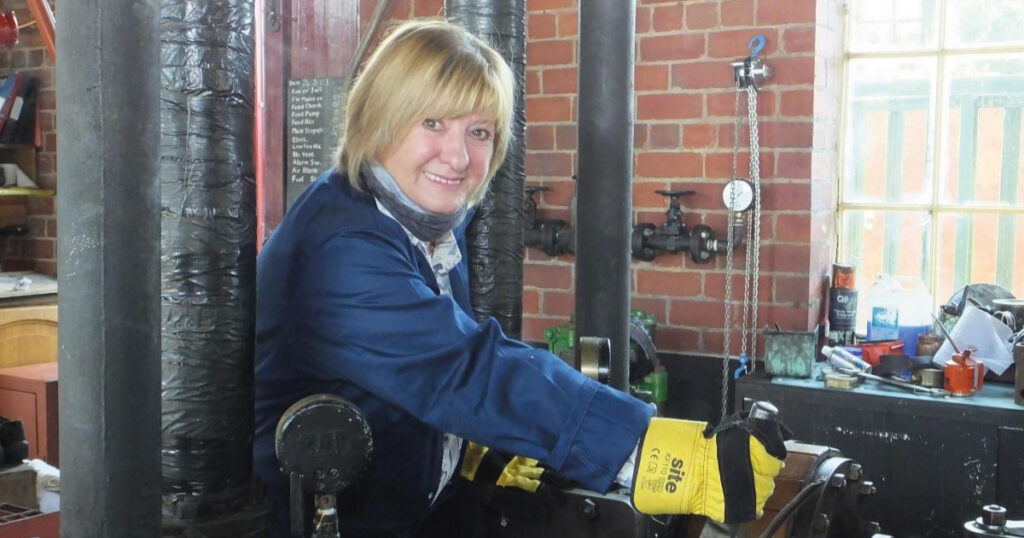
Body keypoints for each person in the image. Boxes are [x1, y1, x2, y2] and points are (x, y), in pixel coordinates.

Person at [254, 19, 786, 538]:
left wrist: (473, 447)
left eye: (479, 132)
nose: (459, 156)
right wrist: (657, 452)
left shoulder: (422, 221)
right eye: (432, 123)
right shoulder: (340, 246)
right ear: (379, 120)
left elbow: (437, 358)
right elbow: (464, 370)